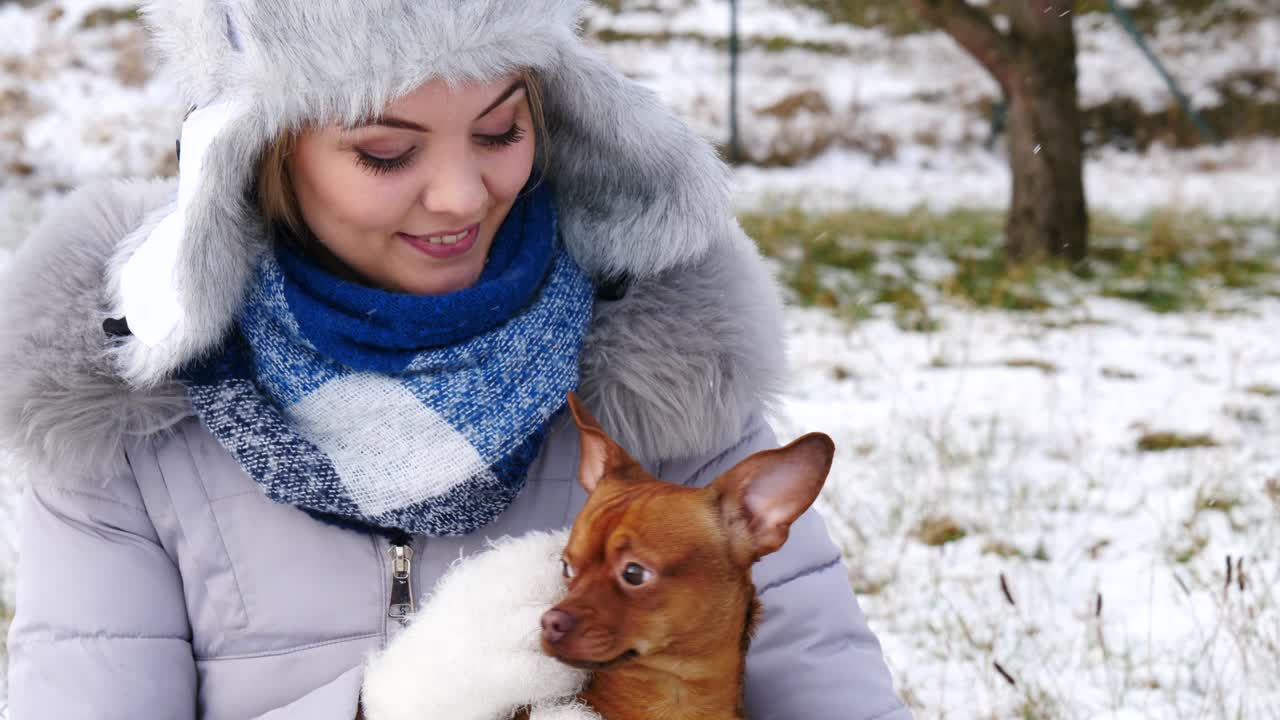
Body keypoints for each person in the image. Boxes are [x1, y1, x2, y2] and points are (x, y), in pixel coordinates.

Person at [0, 1, 910, 718]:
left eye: (500, 132)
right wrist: (406, 704)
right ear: (259, 152)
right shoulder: (123, 422)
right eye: (386, 151)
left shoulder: (661, 382)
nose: (463, 196)